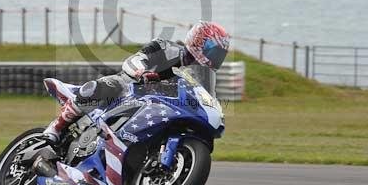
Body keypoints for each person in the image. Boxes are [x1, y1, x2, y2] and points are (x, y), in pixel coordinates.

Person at [42, 21, 230, 143]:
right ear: (199, 42)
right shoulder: (165, 48)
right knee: (110, 85)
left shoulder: (204, 76)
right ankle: (56, 128)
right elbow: (132, 61)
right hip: (130, 92)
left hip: (163, 109)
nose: (216, 59)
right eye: (214, 52)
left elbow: (206, 99)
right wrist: (142, 72)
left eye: (220, 55)